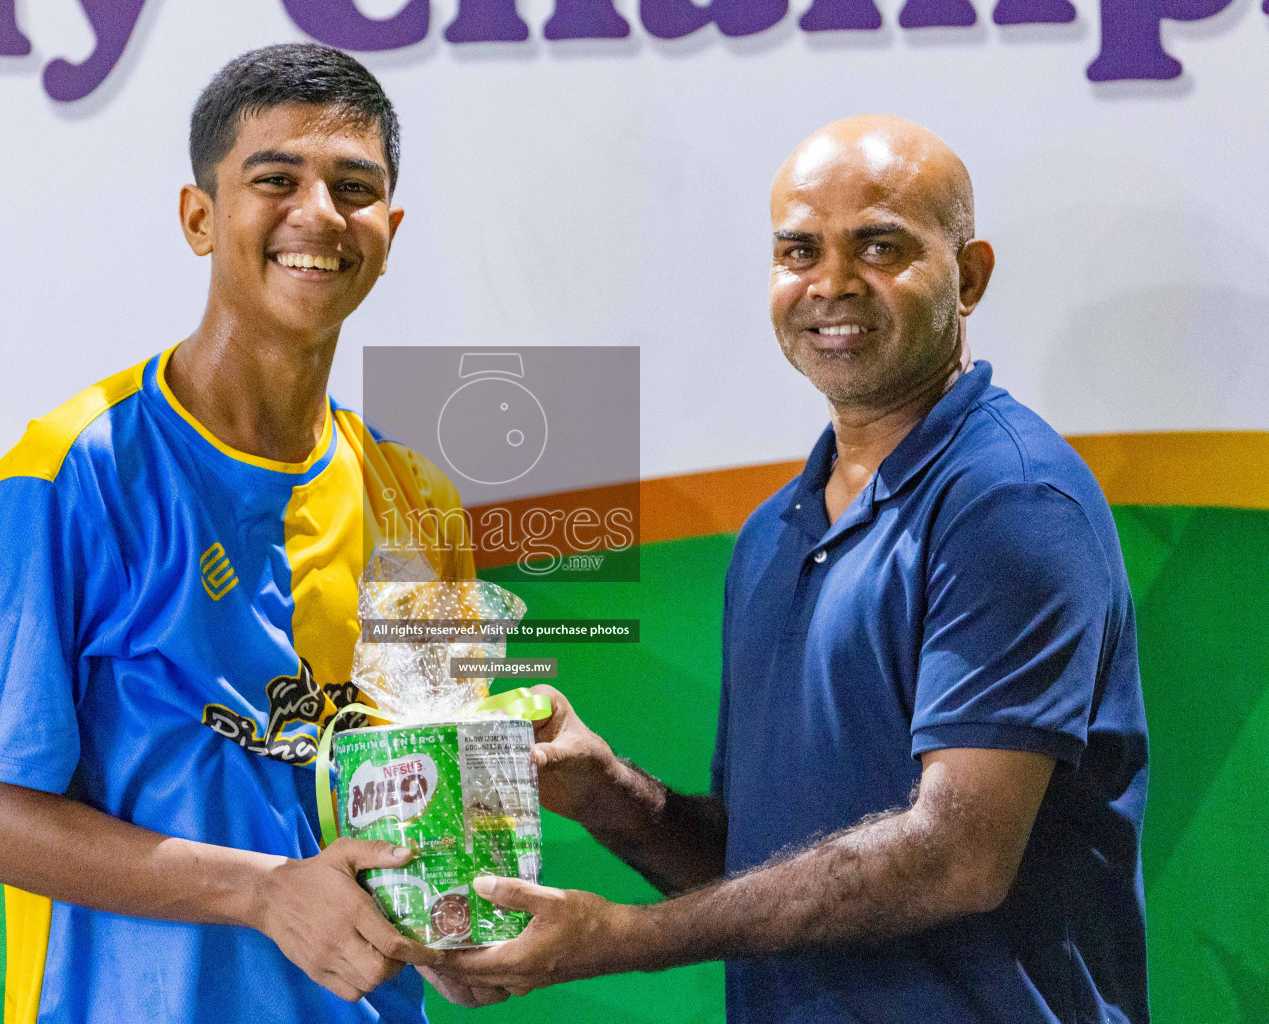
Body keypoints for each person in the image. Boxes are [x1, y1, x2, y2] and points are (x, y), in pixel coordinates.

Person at [432, 116, 1151, 1024]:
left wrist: (624, 938)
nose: (831, 283)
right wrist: (607, 794)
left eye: (880, 246)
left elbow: (956, 855)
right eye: (798, 250)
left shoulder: (1011, 500)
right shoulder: (772, 534)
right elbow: (768, 870)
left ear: (969, 277)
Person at [0, 43, 467, 1024]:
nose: (318, 214)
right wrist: (263, 890)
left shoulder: (420, 501)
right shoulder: (68, 474)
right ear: (199, 217)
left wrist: (493, 817)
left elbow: (436, 812)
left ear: (388, 228)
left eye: (355, 187)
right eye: (276, 179)